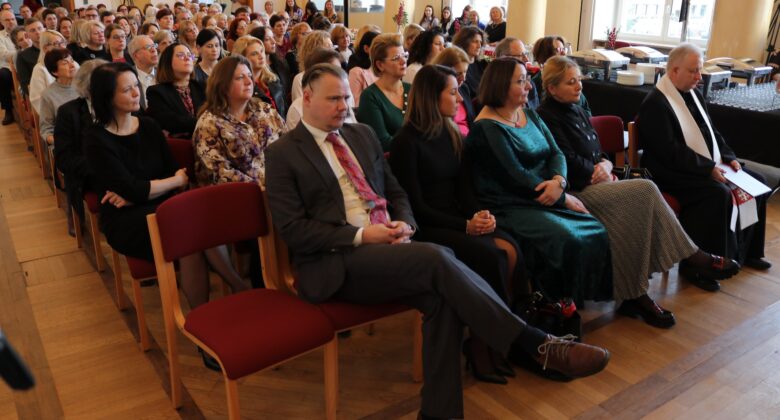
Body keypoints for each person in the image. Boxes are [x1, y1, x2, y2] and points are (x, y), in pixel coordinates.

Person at [265, 62, 611, 420]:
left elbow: (397, 193)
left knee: (442, 299)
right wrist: (363, 235)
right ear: (307, 97)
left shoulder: (361, 135)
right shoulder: (283, 154)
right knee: (437, 256)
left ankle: (439, 414)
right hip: (337, 260)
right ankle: (534, 343)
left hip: (392, 248)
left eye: (346, 98)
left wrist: (405, 224)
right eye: (334, 99)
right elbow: (294, 230)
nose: (343, 106)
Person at [538, 56, 739, 315]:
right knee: (645, 190)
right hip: (577, 190)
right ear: (552, 88)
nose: (579, 86)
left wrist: (606, 164)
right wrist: (598, 172)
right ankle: (690, 257)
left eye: (579, 80)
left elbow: (596, 150)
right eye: (571, 82)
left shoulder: (576, 107)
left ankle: (636, 292)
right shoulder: (546, 116)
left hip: (599, 180)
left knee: (641, 205)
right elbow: (566, 160)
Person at [390, 64, 526, 382]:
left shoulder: (452, 132)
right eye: (452, 92)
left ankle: (503, 337)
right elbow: (415, 207)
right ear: (431, 97)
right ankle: (481, 344)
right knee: (492, 255)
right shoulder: (406, 142)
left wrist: (480, 215)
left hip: (457, 218)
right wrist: (465, 225)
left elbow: (465, 190)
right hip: (428, 226)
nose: (460, 98)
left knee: (512, 250)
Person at [466, 57, 613, 306]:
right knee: (568, 237)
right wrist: (563, 198)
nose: (529, 86)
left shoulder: (529, 115)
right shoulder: (487, 127)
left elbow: (556, 153)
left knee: (594, 227)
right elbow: (515, 175)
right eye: (521, 81)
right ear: (501, 86)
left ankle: (568, 301)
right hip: (510, 205)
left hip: (543, 194)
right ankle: (552, 305)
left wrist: (559, 181)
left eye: (527, 79)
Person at [637, 43, 770, 278]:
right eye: (694, 71)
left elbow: (712, 133)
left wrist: (728, 157)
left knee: (756, 182)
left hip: (698, 165)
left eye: (699, 70)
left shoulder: (694, 95)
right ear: (674, 70)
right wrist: (708, 169)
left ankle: (745, 252)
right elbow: (670, 151)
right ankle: (700, 267)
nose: (699, 77)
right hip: (669, 173)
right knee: (717, 193)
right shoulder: (656, 103)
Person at [193, 54, 284, 187]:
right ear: (223, 85)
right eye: (240, 78)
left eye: (250, 76)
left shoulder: (265, 110)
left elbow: (288, 144)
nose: (249, 82)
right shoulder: (209, 123)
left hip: (283, 185)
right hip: (245, 194)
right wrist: (265, 188)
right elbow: (219, 174)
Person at [355, 33, 410, 151]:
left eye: (404, 55)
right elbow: (382, 142)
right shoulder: (370, 96)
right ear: (380, 65)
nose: (403, 61)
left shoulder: (412, 89)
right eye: (396, 58)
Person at [284, 47, 356, 131]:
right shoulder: (298, 109)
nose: (344, 106)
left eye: (340, 70)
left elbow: (352, 126)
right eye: (333, 98)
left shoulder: (345, 96)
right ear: (314, 75)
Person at [146, 43, 206, 138]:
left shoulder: (203, 87)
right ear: (168, 62)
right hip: (181, 144)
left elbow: (215, 114)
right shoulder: (156, 92)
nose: (187, 58)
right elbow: (172, 123)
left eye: (189, 55)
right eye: (181, 55)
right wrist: (206, 122)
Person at [532, 35, 591, 115]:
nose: (564, 53)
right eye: (558, 50)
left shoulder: (571, 77)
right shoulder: (535, 83)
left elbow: (587, 111)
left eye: (564, 49)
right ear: (545, 55)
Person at [231, 35, 285, 117]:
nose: (261, 56)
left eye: (262, 51)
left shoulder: (273, 79)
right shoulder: (241, 86)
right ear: (242, 58)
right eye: (254, 54)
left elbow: (283, 110)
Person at [38, 47, 78, 148]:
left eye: (72, 61)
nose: (72, 65)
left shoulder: (85, 86)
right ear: (55, 72)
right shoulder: (48, 95)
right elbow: (46, 129)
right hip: (67, 143)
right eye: (65, 63)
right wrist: (62, 141)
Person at [433, 46, 474, 136]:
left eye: (465, 72)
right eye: (458, 73)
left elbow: (471, 121)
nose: (463, 78)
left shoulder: (464, 88)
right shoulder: (436, 92)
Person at [494, 37, 540, 109]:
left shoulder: (530, 85)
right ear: (504, 58)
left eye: (526, 54)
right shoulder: (493, 87)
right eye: (520, 55)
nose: (526, 59)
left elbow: (536, 113)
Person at [29, 29, 68, 114]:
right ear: (45, 48)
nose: (62, 47)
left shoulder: (72, 63)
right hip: (56, 112)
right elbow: (37, 99)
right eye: (56, 44)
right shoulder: (39, 69)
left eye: (63, 42)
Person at [289, 29, 331, 101]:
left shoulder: (334, 74)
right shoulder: (300, 79)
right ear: (314, 51)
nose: (332, 51)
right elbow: (301, 106)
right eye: (328, 47)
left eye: (332, 46)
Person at [346, 29, 378, 107]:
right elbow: (356, 104)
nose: (383, 51)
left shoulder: (384, 69)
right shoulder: (356, 72)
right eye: (378, 47)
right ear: (366, 48)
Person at [452, 26, 486, 96]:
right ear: (464, 42)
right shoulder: (458, 67)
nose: (479, 46)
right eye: (475, 41)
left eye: (480, 42)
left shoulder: (482, 63)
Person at [15, 17, 44, 95]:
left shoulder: (55, 49)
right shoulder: (22, 56)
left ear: (44, 29)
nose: (37, 32)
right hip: (39, 93)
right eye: (33, 30)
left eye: (39, 28)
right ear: (27, 35)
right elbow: (25, 84)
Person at [128, 35, 158, 108]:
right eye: (148, 47)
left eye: (154, 46)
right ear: (136, 55)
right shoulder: (128, 77)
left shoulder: (164, 74)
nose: (153, 50)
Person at [0, 10, 17, 125]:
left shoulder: (23, 32)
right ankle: (8, 110)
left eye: (12, 19)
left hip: (23, 63)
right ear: (1, 22)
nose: (11, 22)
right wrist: (21, 53)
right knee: (2, 75)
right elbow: (4, 55)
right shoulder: (0, 36)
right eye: (7, 20)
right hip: (8, 67)